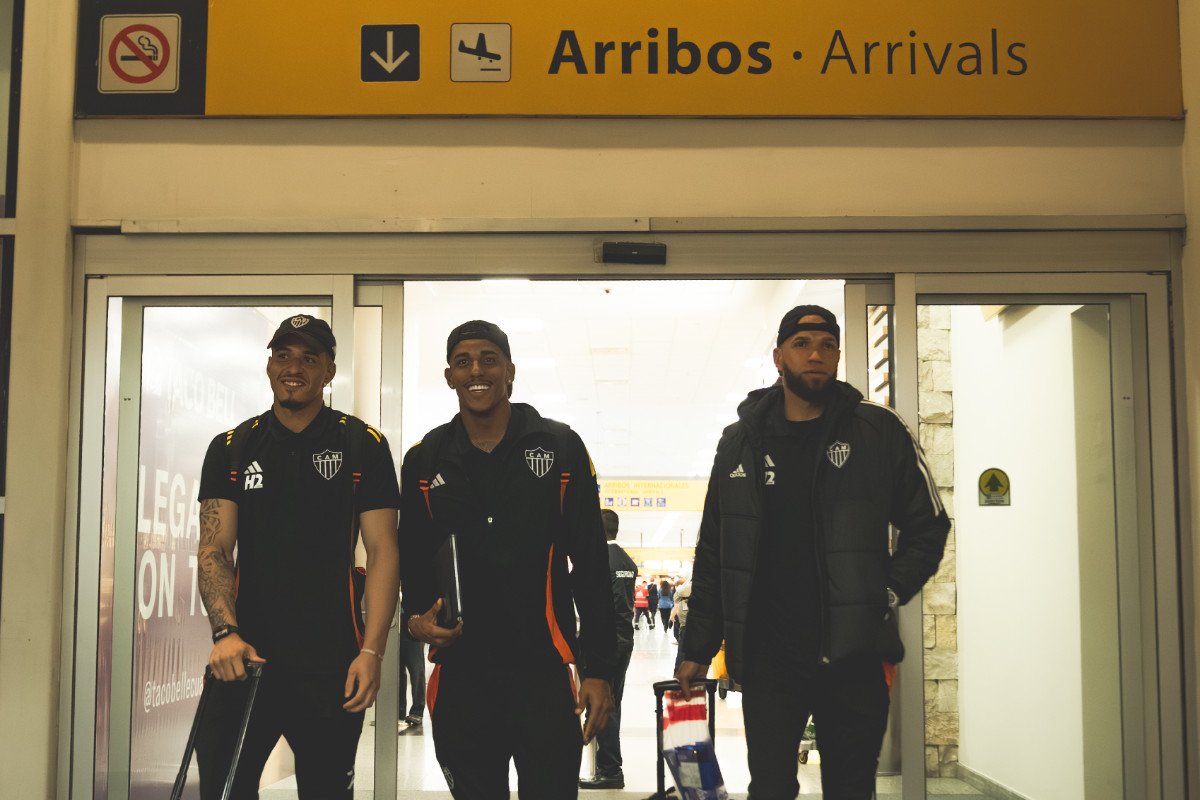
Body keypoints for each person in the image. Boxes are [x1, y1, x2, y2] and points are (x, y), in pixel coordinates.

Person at [676, 304, 950, 800]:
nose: (816, 355)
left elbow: (928, 525)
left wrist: (885, 591)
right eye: (802, 345)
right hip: (769, 658)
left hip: (853, 656)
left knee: (850, 789)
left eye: (827, 345)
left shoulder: (877, 431)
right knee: (770, 788)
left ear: (839, 356)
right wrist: (697, 647)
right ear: (779, 357)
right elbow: (715, 549)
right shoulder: (739, 442)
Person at [399, 320, 616, 799]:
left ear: (510, 371)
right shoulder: (425, 460)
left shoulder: (560, 448)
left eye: (488, 360)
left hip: (544, 678)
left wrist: (598, 669)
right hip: (462, 681)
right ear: (450, 376)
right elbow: (411, 560)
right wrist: (416, 620)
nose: (476, 370)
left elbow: (590, 565)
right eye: (463, 362)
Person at [195, 314, 401, 800]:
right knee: (223, 790)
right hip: (245, 661)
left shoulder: (362, 445)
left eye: (310, 358)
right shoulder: (232, 448)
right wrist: (225, 633)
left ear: (329, 371)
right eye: (283, 355)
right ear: (269, 365)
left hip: (332, 665)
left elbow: (383, 552)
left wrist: (372, 652)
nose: (294, 367)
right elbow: (215, 549)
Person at [579, 509, 638, 790]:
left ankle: (610, 769)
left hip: (604, 642)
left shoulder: (598, 559)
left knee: (602, 703)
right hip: (625, 638)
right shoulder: (627, 561)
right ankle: (609, 765)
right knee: (614, 702)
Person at [397, 602, 426, 734]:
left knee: (417, 672)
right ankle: (399, 711)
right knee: (397, 674)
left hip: (413, 634)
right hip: (394, 633)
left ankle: (417, 712)